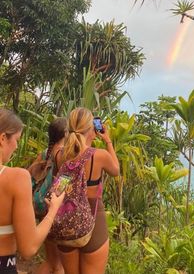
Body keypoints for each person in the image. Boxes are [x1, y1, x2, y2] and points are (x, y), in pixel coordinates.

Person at [56, 107, 120, 274]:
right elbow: (116, 171)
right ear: (91, 129)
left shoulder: (62, 155)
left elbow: (59, 187)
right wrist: (108, 141)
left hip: (67, 220)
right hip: (93, 217)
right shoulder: (99, 156)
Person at [0, 108, 64, 274]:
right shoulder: (17, 178)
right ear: (2, 138)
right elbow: (28, 249)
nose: (16, 146)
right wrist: (53, 210)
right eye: (17, 140)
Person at [35, 117, 68, 274]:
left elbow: (31, 175)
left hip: (43, 209)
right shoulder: (62, 155)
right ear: (66, 134)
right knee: (58, 266)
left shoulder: (45, 153)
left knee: (51, 262)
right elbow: (64, 182)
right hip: (54, 211)